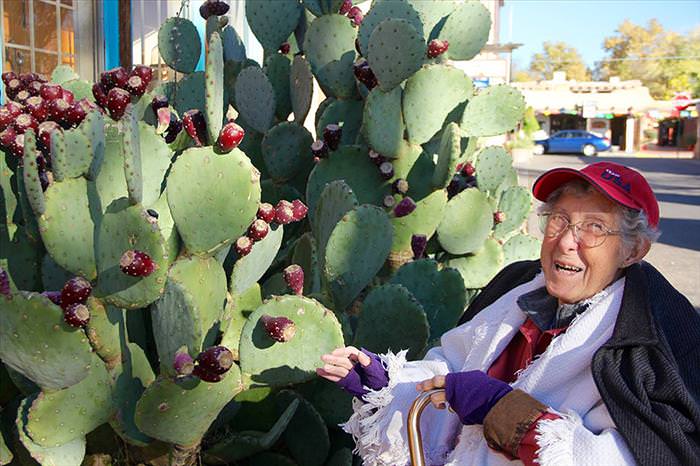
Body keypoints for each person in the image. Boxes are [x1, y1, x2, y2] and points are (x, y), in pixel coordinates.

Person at [317, 161, 700, 466]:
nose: (566, 241)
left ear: (634, 251)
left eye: (594, 228)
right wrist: (387, 384)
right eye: (559, 220)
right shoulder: (515, 288)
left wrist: (503, 410)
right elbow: (450, 370)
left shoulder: (652, 342)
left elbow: (636, 455)